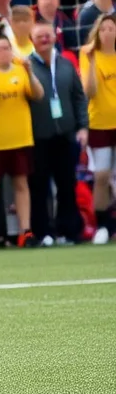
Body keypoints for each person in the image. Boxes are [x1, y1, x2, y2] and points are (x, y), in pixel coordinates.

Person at [0, 26, 44, 249]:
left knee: (21, 185)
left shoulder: (20, 72)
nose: (4, 52)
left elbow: (38, 94)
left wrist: (30, 71)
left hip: (20, 139)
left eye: (6, 48)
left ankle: (25, 230)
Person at [27, 22, 88, 245]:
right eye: (39, 36)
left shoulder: (66, 64)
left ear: (55, 37)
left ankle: (69, 231)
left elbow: (79, 97)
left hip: (66, 134)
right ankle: (43, 232)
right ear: (31, 39)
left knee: (66, 185)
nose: (45, 39)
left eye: (48, 35)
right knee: (39, 186)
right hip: (37, 136)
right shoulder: (26, 66)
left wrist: (82, 127)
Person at [81, 15, 116, 244]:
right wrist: (92, 59)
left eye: (111, 28)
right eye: (102, 29)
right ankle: (102, 225)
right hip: (100, 123)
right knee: (101, 175)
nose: (107, 32)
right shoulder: (88, 56)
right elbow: (90, 90)